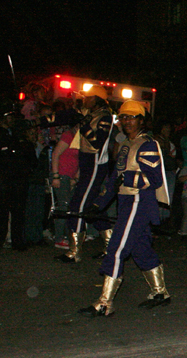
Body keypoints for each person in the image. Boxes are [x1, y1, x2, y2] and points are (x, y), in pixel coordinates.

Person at [79, 101, 170, 317]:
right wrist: (97, 205)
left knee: (117, 249)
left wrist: (127, 177)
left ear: (141, 120)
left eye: (132, 117)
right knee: (140, 249)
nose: (127, 121)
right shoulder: (125, 145)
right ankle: (160, 292)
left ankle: (104, 303)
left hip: (140, 201)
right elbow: (113, 180)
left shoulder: (148, 144)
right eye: (124, 117)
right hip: (126, 202)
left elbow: (155, 179)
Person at [60, 87, 115, 263]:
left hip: (95, 164)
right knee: (91, 208)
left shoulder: (105, 116)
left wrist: (84, 126)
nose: (85, 100)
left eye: (88, 97)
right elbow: (72, 112)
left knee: (77, 206)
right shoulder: (91, 112)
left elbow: (97, 142)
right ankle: (110, 247)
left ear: (96, 99)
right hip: (86, 163)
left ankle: (74, 252)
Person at [0, 111, 36, 253]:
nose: (12, 119)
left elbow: (26, 156)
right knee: (1, 213)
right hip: (2, 179)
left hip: (18, 179)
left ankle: (18, 241)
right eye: (9, 117)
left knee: (18, 212)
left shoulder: (16, 134)